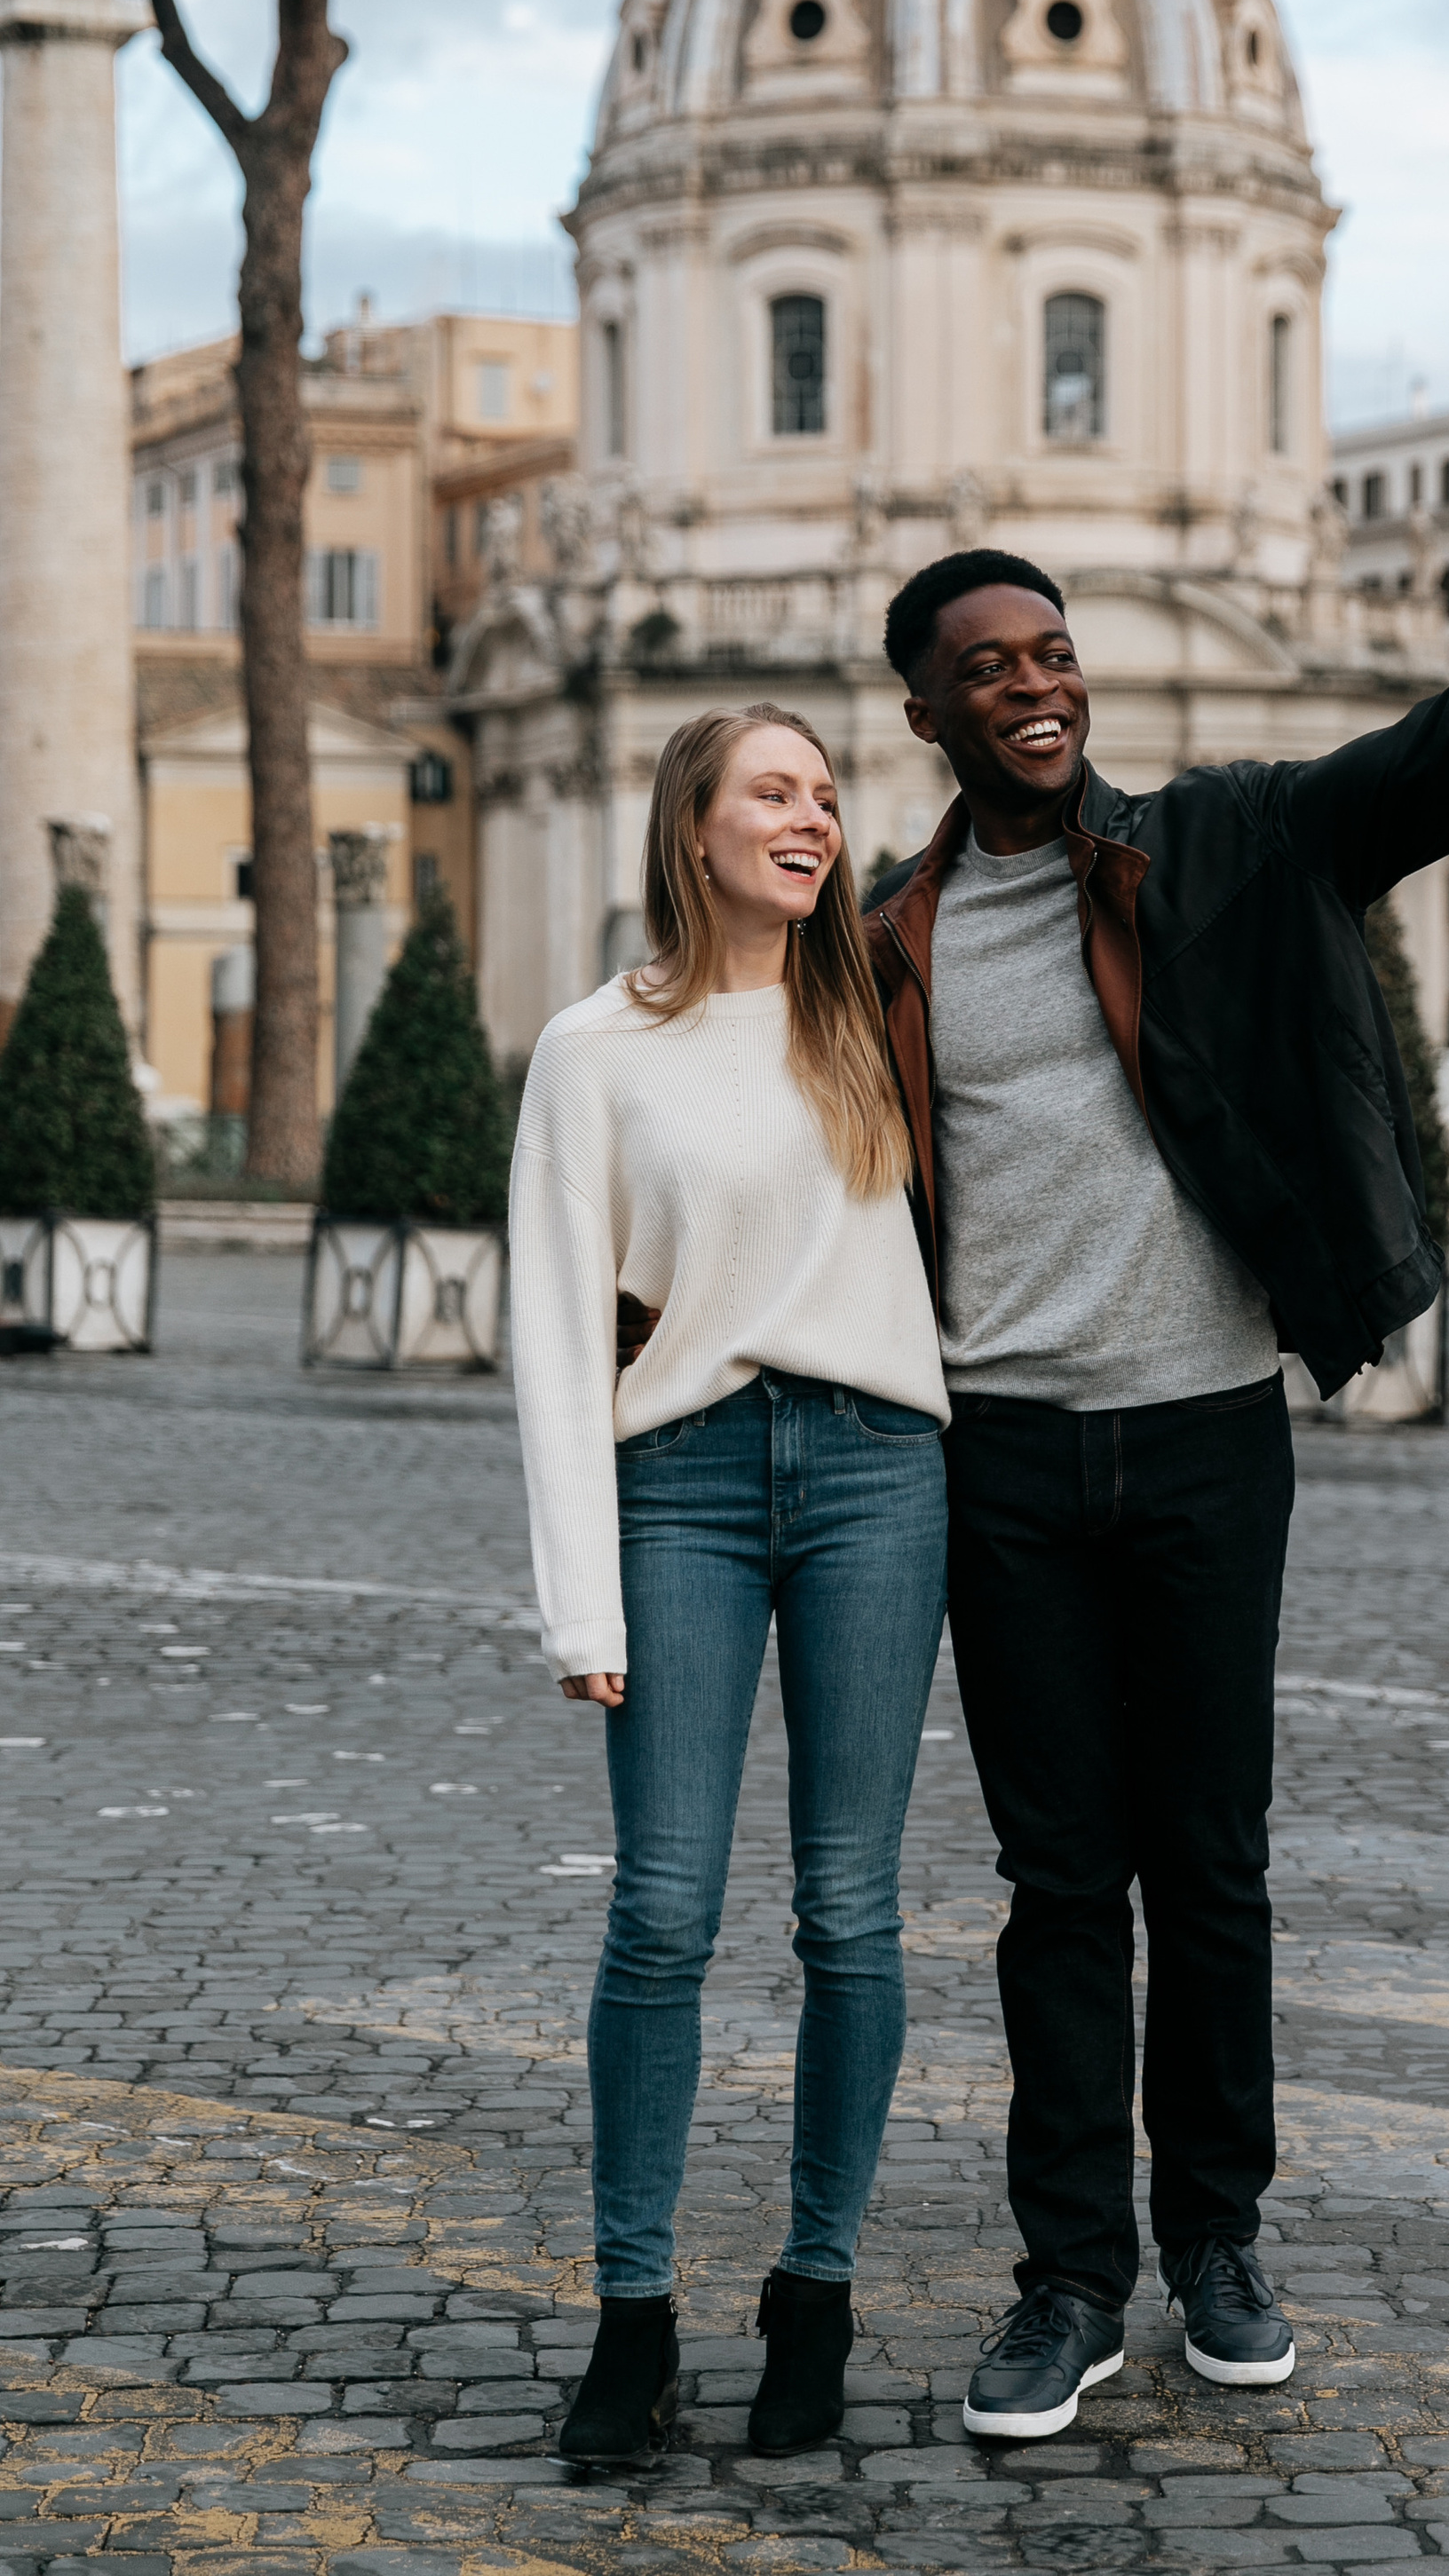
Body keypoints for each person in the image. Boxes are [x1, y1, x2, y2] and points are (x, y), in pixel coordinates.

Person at [864, 546, 1449, 2442]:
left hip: (1199, 1428)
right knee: (1050, 1879)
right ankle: (1067, 2277)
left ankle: (1217, 2244)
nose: (1033, 687)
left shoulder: (1224, 847)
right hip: (996, 1449)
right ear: (923, 714)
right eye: (985, 668)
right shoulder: (891, 939)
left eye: (1053, 654)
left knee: (1209, 1859)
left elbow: (1425, 769)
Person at [511, 701, 950, 2465]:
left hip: (875, 1477)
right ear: (692, 826)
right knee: (664, 1914)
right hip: (676, 1481)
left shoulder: (876, 1013)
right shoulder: (592, 1050)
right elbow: (553, 1334)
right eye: (773, 791)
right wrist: (580, 1605)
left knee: (850, 1910)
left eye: (828, 794)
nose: (812, 816)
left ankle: (814, 2295)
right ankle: (631, 2315)